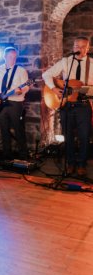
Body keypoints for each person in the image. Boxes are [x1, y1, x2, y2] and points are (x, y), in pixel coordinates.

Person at [42, 36, 93, 177]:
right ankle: (70, 163)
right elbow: (46, 74)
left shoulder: (92, 64)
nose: (79, 49)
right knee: (68, 136)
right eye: (77, 46)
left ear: (87, 49)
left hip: (83, 105)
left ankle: (82, 164)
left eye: (83, 46)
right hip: (66, 104)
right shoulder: (66, 62)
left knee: (84, 136)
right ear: (73, 47)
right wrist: (53, 88)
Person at [0, 47, 29, 161]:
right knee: (3, 129)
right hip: (1, 103)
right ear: (4, 57)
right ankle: (7, 154)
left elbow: (26, 86)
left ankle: (23, 155)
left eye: (15, 57)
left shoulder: (21, 70)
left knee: (18, 129)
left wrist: (21, 91)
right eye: (10, 57)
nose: (13, 59)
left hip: (16, 103)